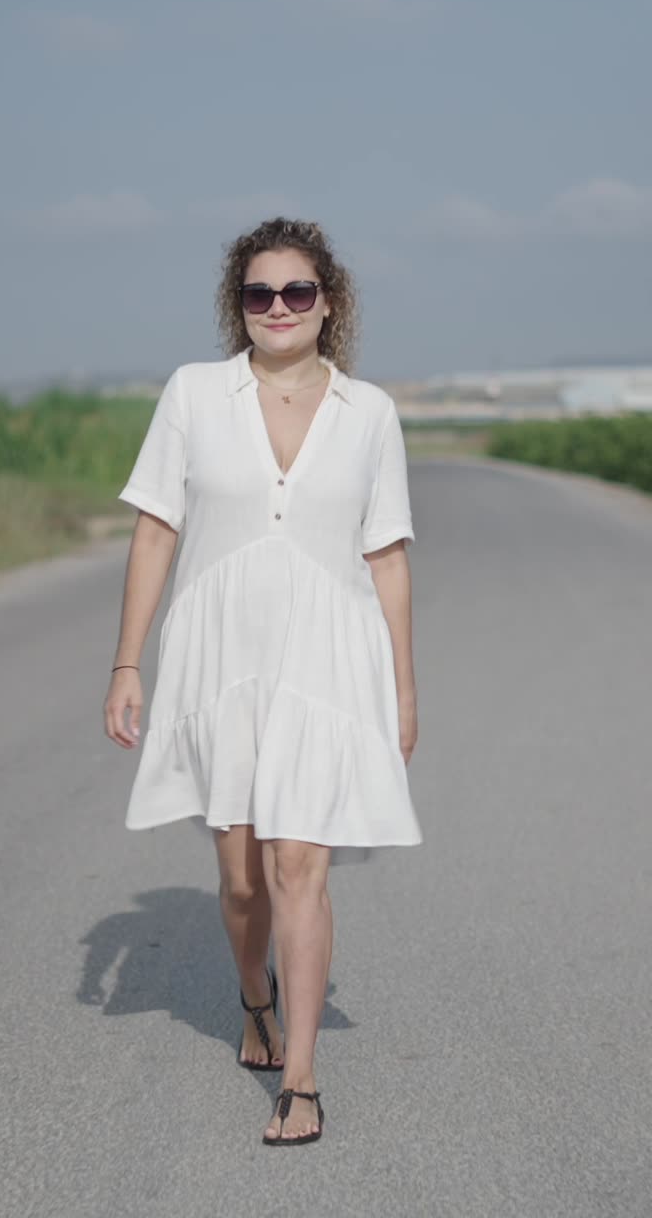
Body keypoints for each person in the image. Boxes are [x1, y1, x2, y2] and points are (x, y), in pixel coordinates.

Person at [103, 216, 423, 1146]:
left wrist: (403, 689)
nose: (278, 308)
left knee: (298, 867)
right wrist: (128, 662)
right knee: (242, 879)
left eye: (297, 292)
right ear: (236, 306)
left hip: (329, 658)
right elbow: (157, 530)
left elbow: (390, 555)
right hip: (221, 654)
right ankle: (254, 996)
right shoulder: (195, 395)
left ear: (330, 302)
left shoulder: (371, 413)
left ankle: (304, 1077)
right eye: (258, 293)